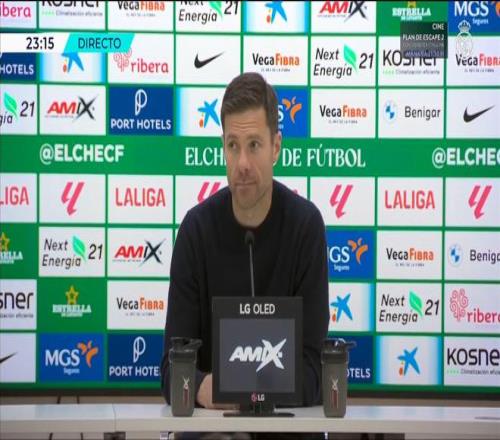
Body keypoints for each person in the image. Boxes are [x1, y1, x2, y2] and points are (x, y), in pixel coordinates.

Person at [160, 72, 329, 415]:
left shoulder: (306, 227)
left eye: (254, 145)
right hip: (215, 430)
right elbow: (172, 371)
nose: (242, 165)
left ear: (276, 147)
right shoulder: (195, 230)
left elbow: (315, 372)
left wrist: (249, 390)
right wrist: (204, 388)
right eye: (233, 146)